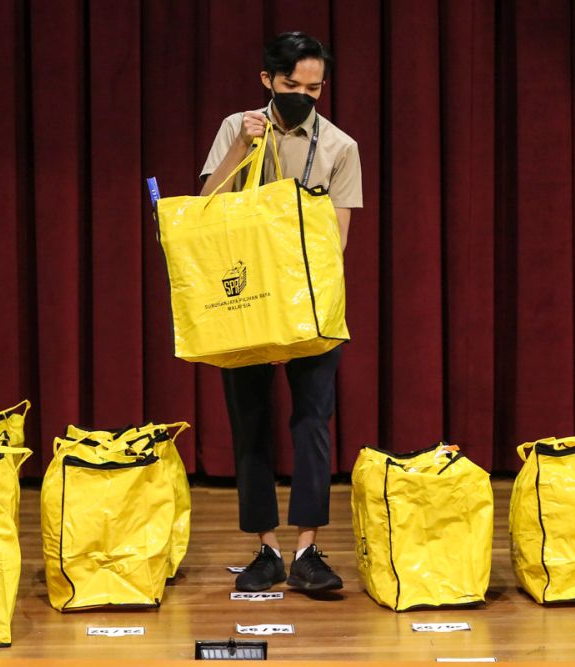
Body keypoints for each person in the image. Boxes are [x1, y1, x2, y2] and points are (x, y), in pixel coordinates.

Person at [199, 32, 363, 593]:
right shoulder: (235, 128)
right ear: (267, 80)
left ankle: (308, 549)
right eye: (291, 85)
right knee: (250, 423)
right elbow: (205, 212)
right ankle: (264, 549)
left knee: (312, 423)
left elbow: (336, 241)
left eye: (313, 88)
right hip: (242, 300)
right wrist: (239, 151)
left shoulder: (340, 146)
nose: (302, 95)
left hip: (309, 302)